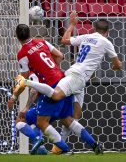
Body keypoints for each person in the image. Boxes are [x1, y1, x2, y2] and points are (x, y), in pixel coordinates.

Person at [9, 23, 102, 154]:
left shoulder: (23, 54)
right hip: (64, 81)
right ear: (30, 33)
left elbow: (23, 81)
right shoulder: (42, 42)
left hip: (50, 87)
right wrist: (54, 70)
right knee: (68, 120)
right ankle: (94, 144)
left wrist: (14, 97)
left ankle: (63, 149)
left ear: (17, 37)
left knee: (39, 122)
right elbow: (60, 55)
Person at [14, 11, 122, 103]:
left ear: (94, 28)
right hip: (77, 76)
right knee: (56, 96)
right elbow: (117, 64)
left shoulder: (86, 37)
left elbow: (64, 40)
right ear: (107, 32)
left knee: (75, 115)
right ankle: (28, 82)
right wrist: (116, 67)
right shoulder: (106, 42)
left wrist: (72, 25)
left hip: (76, 75)